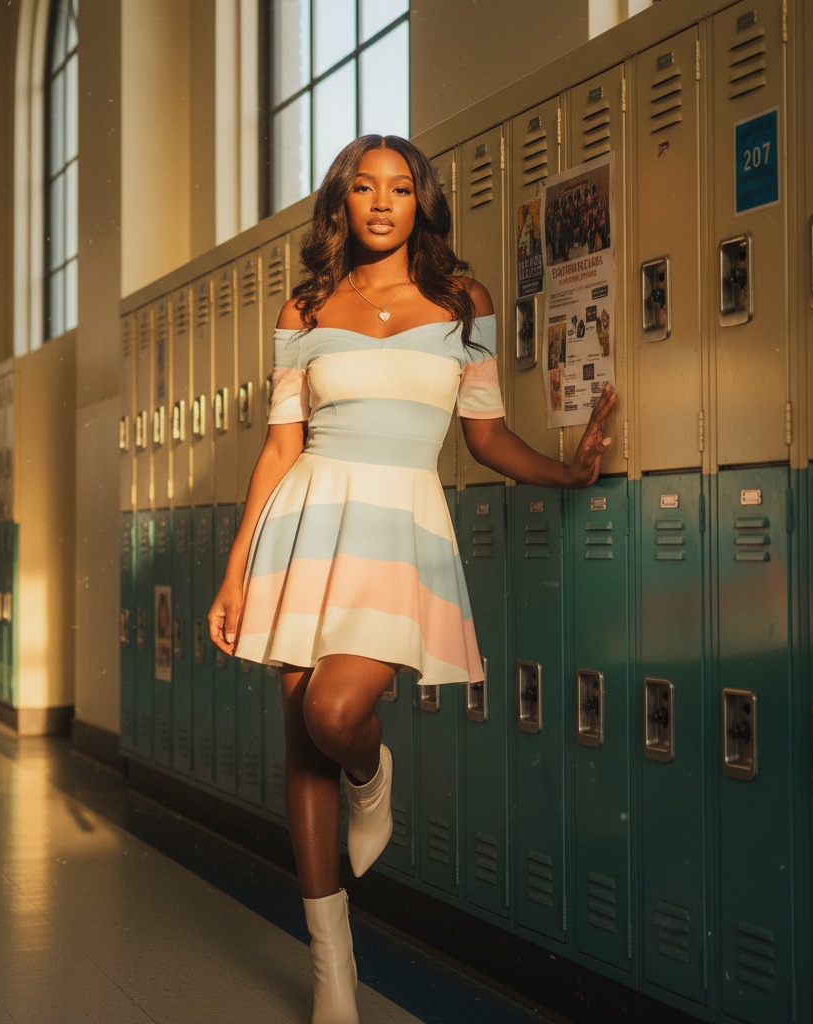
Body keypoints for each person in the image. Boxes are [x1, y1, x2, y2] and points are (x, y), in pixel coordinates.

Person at [207, 134, 616, 1024]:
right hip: (307, 522)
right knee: (299, 747)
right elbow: (280, 446)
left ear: (421, 201)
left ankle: (373, 773)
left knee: (335, 715)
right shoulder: (304, 309)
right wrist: (236, 570)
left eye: (399, 187)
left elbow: (485, 434)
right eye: (364, 187)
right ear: (342, 203)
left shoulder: (462, 302)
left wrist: (565, 470)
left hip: (401, 526)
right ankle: (333, 972)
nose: (382, 202)